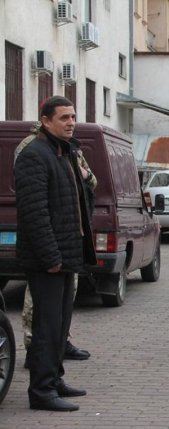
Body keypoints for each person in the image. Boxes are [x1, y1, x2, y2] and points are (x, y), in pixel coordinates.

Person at [14, 96, 97, 412]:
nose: (71, 122)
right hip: (47, 259)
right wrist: (51, 256)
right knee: (46, 327)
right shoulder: (35, 155)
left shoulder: (65, 153)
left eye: (73, 116)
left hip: (66, 255)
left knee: (60, 325)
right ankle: (41, 391)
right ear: (45, 121)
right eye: (63, 117)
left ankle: (55, 378)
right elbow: (35, 213)